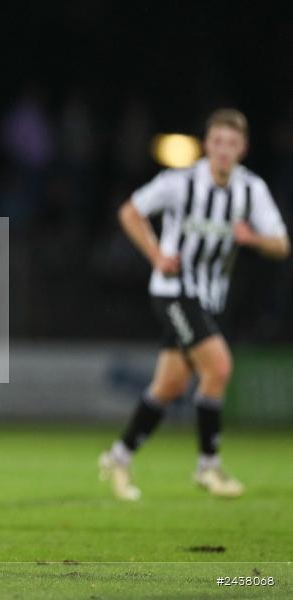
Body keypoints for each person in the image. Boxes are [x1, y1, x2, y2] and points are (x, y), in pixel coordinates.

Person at [99, 109, 289, 501]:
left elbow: (282, 245)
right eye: (217, 142)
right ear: (207, 144)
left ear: (243, 149)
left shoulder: (250, 190)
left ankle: (118, 458)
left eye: (232, 144)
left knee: (169, 386)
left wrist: (252, 238)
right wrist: (155, 256)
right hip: (172, 291)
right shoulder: (180, 182)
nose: (223, 150)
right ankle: (208, 466)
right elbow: (130, 212)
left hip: (209, 298)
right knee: (219, 367)